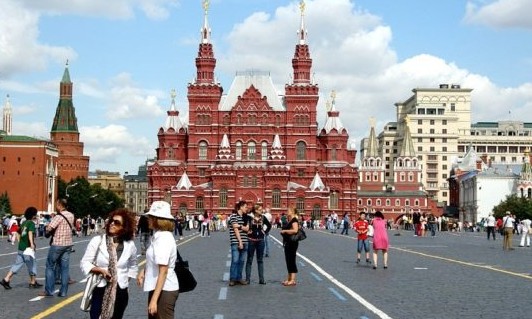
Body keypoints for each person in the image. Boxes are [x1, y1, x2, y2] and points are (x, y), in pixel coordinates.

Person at [80, 209, 138, 319]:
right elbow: (85, 262)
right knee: (96, 316)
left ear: (124, 227)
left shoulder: (130, 245)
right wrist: (100, 270)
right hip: (100, 287)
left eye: (116, 222)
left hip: (120, 290)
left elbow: (133, 265)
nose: (112, 223)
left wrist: (124, 280)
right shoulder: (97, 241)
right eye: (111, 220)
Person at [137, 201, 179, 319]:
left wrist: (154, 300)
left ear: (157, 219)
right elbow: (156, 261)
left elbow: (163, 270)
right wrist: (144, 271)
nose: (148, 220)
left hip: (164, 289)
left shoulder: (163, 239)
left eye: (150, 217)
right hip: (159, 288)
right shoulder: (158, 236)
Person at [39, 198, 75, 297]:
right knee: (65, 268)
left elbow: (49, 228)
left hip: (57, 244)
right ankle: (63, 292)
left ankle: (49, 291)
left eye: (56, 204)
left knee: (50, 266)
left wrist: (47, 229)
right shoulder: (71, 215)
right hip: (68, 244)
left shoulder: (58, 217)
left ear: (59, 205)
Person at [1, 207, 42, 289]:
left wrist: (20, 241)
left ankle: (6, 279)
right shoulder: (31, 223)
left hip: (21, 248)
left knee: (17, 264)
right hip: (27, 248)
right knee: (32, 264)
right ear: (33, 215)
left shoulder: (24, 223)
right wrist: (32, 244)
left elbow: (17, 232)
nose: (36, 216)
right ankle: (33, 282)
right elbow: (30, 233)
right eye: (35, 214)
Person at [245, 203, 272, 285]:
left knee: (260, 260)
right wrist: (247, 231)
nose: (262, 211)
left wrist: (264, 232)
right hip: (251, 240)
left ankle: (261, 279)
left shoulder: (263, 218)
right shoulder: (249, 217)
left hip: (260, 240)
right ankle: (247, 279)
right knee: (249, 260)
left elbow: (269, 226)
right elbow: (243, 225)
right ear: (256, 210)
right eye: (260, 210)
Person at [228, 201, 249, 286]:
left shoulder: (246, 217)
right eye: (245, 207)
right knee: (235, 261)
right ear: (241, 207)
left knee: (242, 261)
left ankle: (239, 278)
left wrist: (239, 226)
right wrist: (240, 241)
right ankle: (233, 279)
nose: (246, 209)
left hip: (245, 241)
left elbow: (247, 229)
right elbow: (235, 228)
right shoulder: (233, 216)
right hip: (236, 242)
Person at [280, 207, 299, 286]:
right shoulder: (290, 220)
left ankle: (293, 280)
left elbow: (295, 230)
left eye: (288, 210)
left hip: (292, 243)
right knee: (288, 260)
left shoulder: (294, 220)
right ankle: (289, 279)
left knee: (291, 260)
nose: (287, 212)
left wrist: (285, 231)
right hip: (288, 242)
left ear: (292, 211)